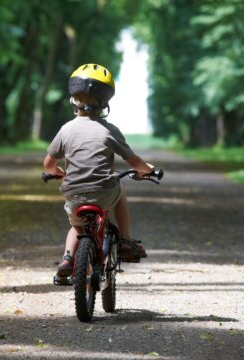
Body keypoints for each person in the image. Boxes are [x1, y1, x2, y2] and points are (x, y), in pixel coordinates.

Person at [43, 63, 155, 277]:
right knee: (120, 187)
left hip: (74, 194)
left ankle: (67, 259)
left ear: (73, 99)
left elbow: (48, 164)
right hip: (104, 192)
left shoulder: (66, 129)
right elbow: (134, 162)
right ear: (105, 103)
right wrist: (148, 169)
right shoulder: (109, 130)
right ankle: (125, 238)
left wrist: (58, 172)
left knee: (76, 227)